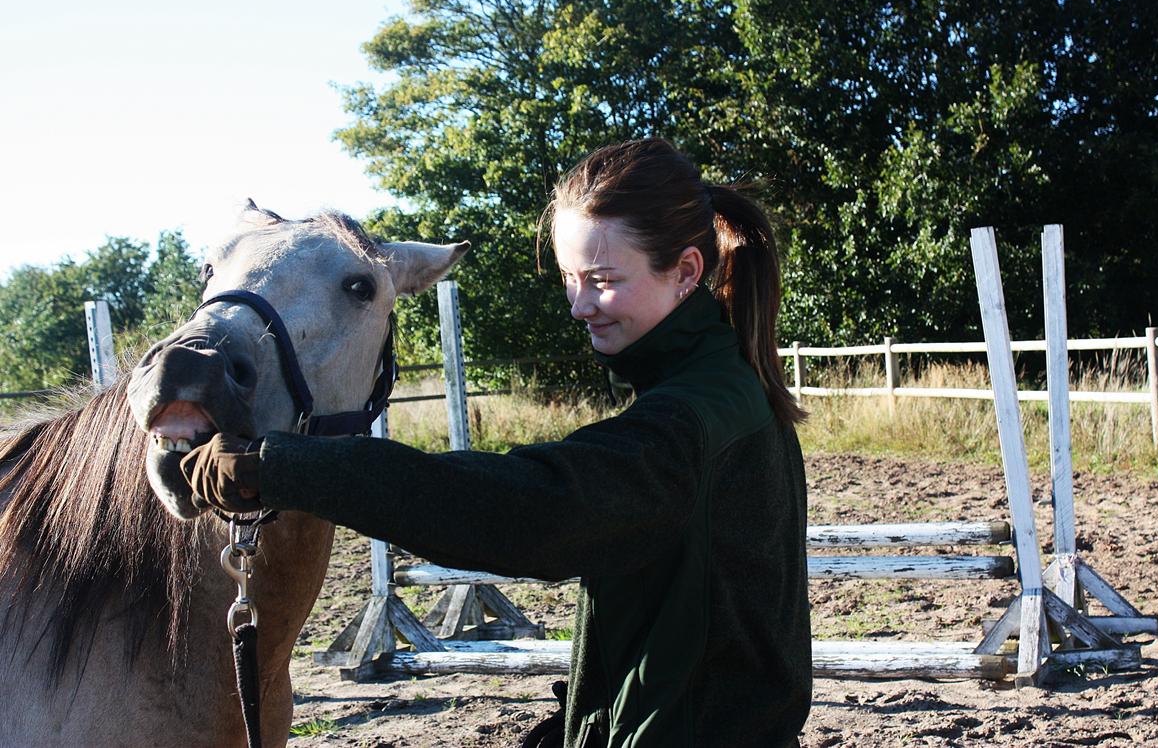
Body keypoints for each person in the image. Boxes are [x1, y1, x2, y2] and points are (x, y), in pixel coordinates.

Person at [182, 138, 812, 747]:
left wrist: (284, 467)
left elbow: (533, 508)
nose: (579, 305)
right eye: (570, 277)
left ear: (686, 272)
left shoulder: (691, 418)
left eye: (602, 279)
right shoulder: (724, 385)